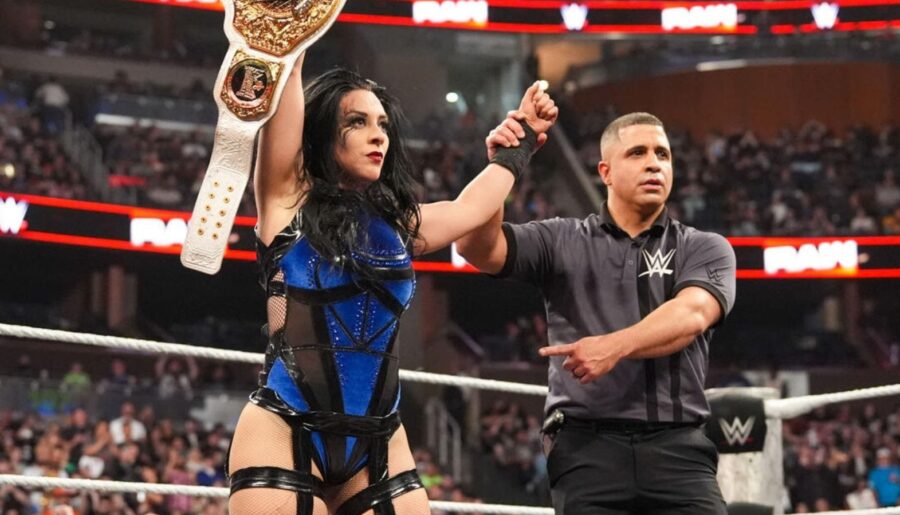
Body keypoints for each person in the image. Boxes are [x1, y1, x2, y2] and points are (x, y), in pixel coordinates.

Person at [226, 52, 558, 515]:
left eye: (382, 123)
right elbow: (287, 86)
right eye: (357, 122)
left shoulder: (398, 227)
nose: (378, 134)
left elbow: (469, 209)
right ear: (323, 131)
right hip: (285, 428)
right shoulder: (286, 203)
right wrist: (287, 46)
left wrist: (517, 143)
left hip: (379, 440)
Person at [458, 112, 736, 514]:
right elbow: (474, 246)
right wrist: (507, 161)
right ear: (605, 172)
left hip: (680, 450)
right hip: (585, 450)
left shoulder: (705, 247)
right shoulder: (561, 239)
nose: (654, 163)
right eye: (637, 153)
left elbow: (691, 315)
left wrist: (613, 347)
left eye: (662, 154)